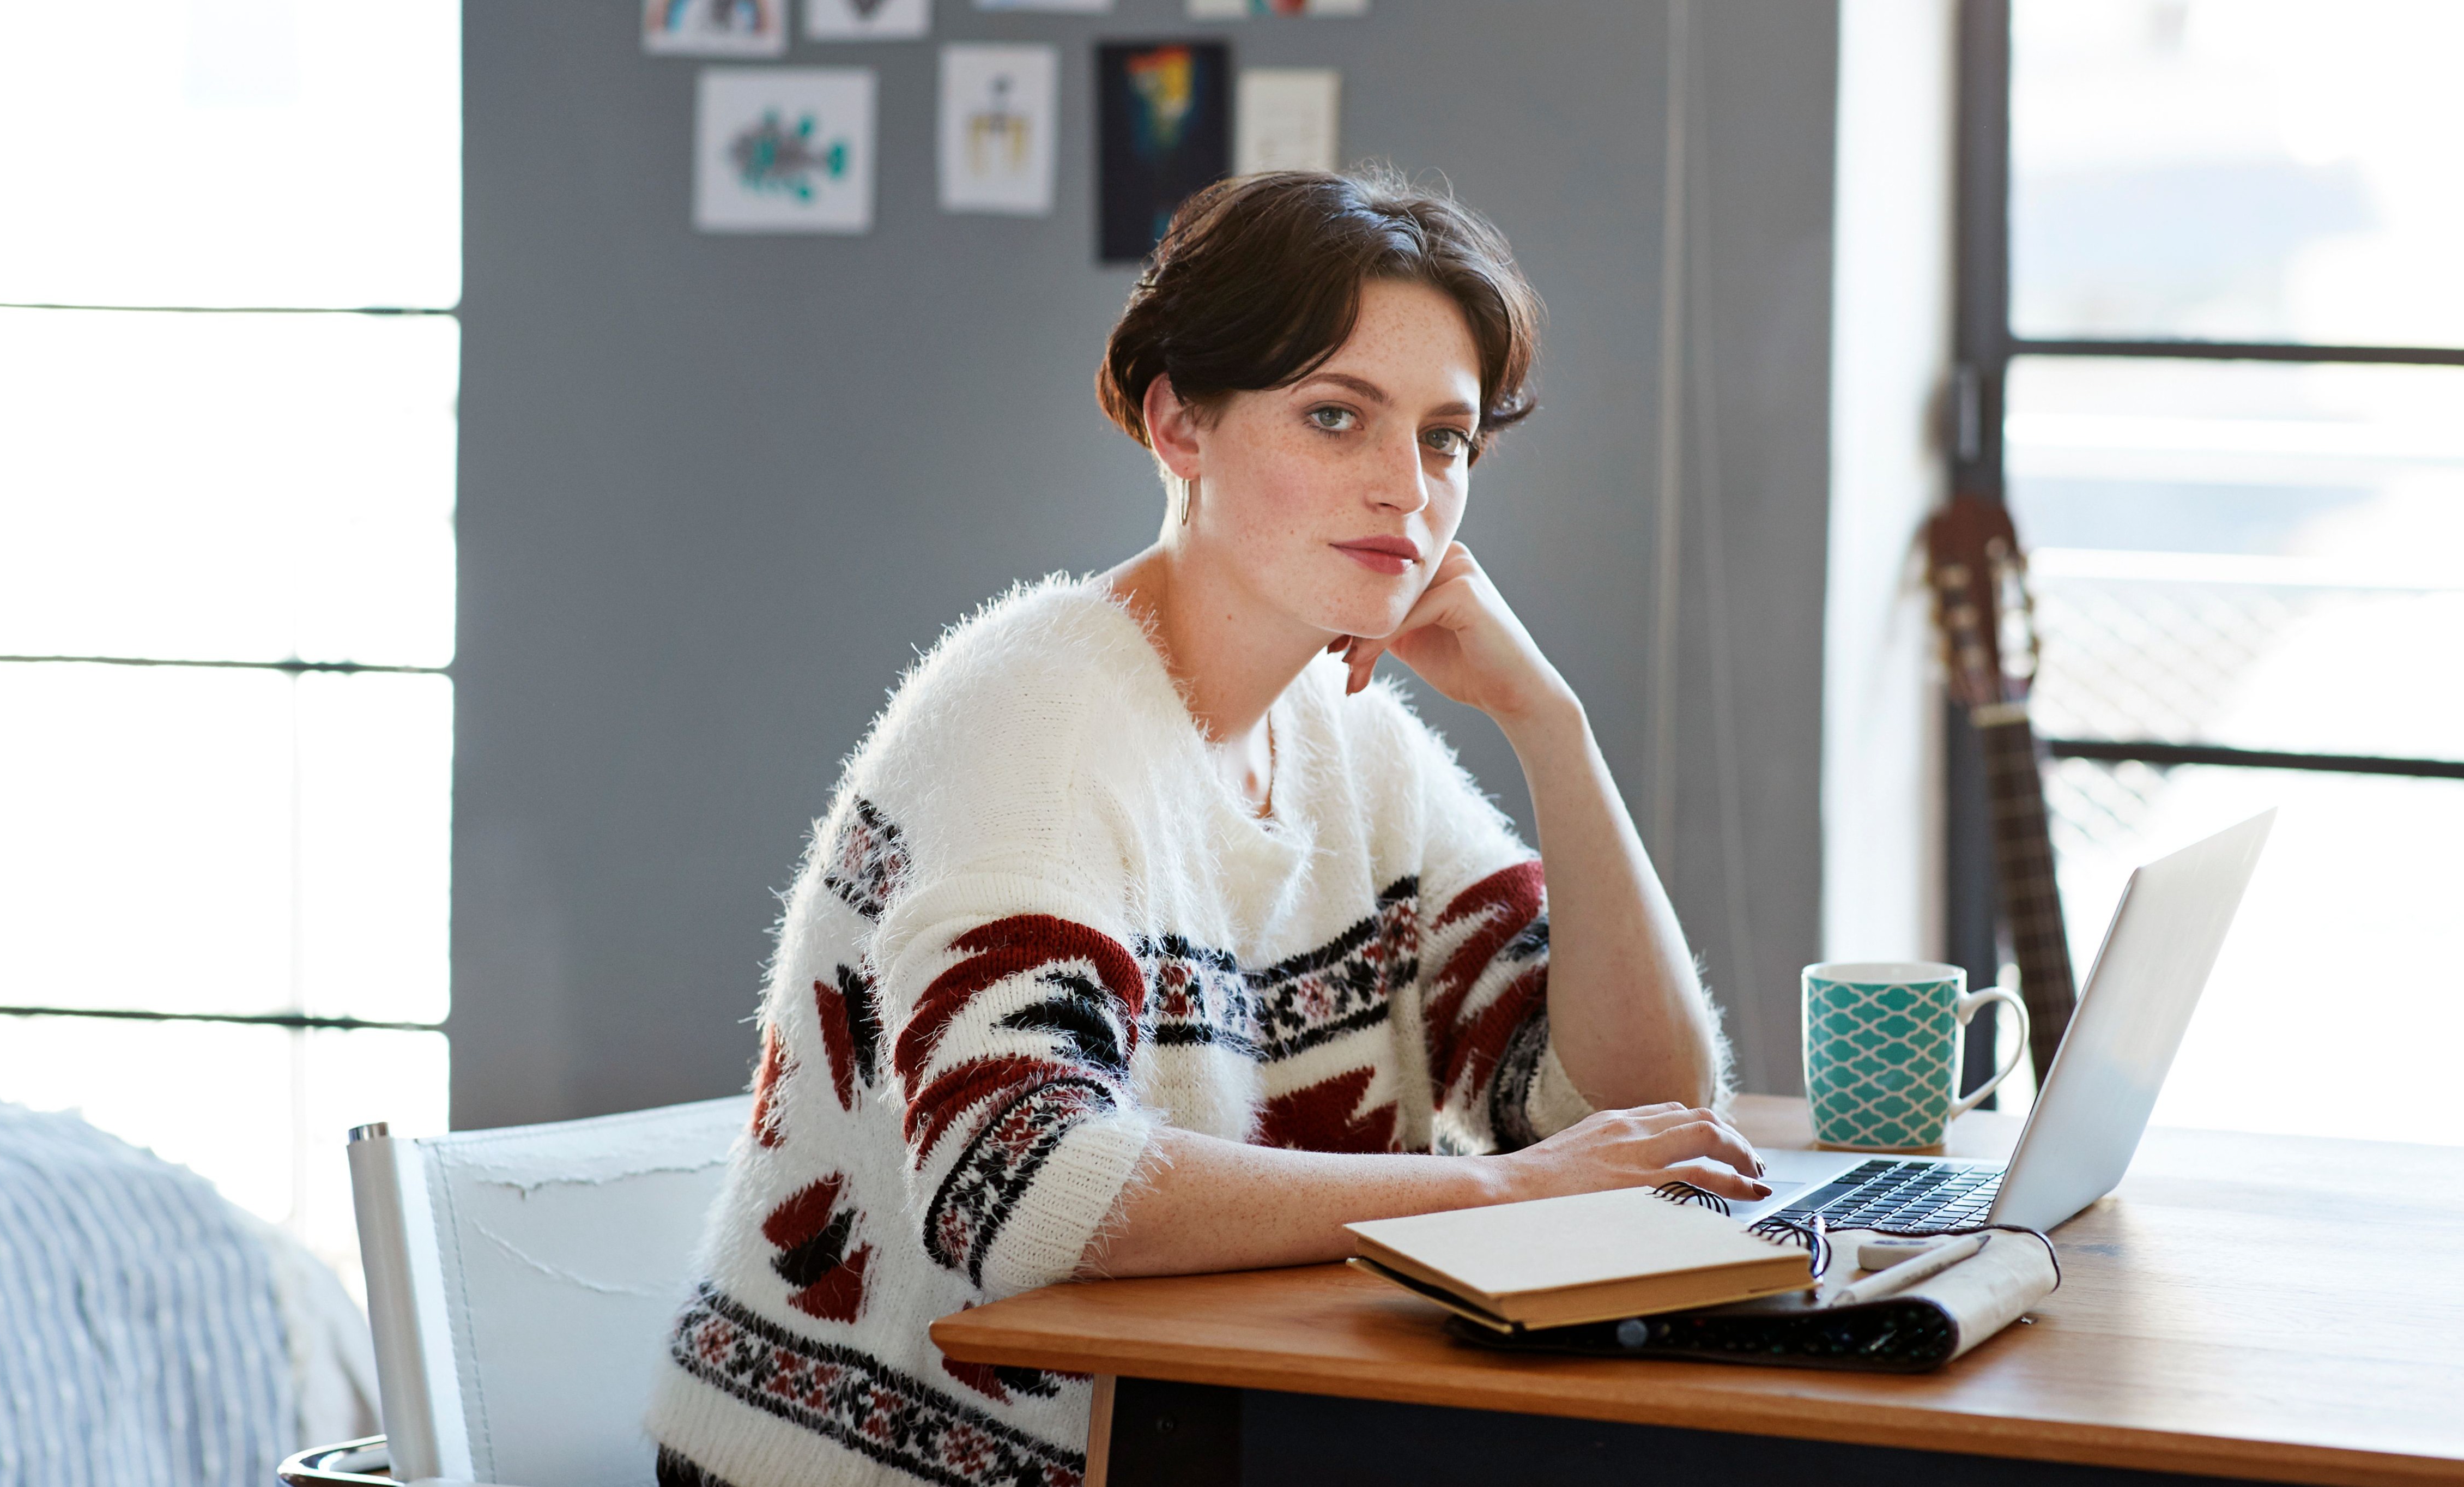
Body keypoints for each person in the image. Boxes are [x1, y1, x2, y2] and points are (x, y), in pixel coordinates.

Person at [648, 168, 1761, 1487]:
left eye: (1445, 438)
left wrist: (1551, 724)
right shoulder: (1038, 718)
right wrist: (1499, 1196)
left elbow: (1630, 1109)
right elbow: (1019, 1189)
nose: (1406, 489)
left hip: (1217, 1435)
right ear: (1180, 424)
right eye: (1336, 417)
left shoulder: (1350, 740)